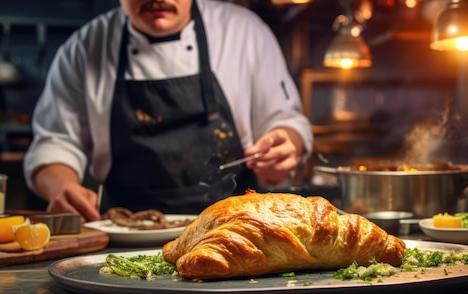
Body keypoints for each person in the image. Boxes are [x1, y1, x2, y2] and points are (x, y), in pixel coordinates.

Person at [23, 0, 313, 221]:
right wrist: (61, 187)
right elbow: (55, 142)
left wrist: (285, 145)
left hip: (237, 226)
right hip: (124, 229)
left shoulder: (245, 32)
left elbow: (285, 119)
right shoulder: (84, 48)